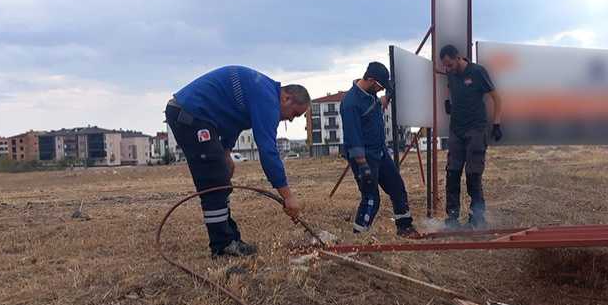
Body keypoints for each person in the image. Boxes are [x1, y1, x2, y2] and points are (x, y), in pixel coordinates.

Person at [166, 66, 309, 257]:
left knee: (220, 178)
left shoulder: (262, 90)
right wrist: (287, 195)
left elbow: (234, 120)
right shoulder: (267, 98)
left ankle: (230, 239)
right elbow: (268, 150)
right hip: (190, 113)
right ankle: (223, 247)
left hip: (200, 116)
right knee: (214, 180)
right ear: (286, 98)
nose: (291, 120)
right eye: (295, 114)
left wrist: (226, 152)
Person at [340, 62, 420, 239]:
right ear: (370, 80)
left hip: (380, 152)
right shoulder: (351, 103)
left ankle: (404, 227)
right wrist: (363, 166)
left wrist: (389, 95)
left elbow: (379, 104)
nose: (380, 90)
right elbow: (353, 137)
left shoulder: (370, 95)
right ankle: (359, 238)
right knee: (371, 198)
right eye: (380, 86)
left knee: (397, 188)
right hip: (364, 158)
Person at [438, 44, 503, 229]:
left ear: (458, 58)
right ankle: (452, 219)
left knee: (473, 174)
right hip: (456, 130)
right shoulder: (450, 73)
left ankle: (477, 219)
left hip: (476, 129)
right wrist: (450, 103)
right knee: (452, 173)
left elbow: (497, 97)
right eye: (445, 66)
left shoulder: (478, 72)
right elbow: (451, 88)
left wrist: (497, 124)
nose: (447, 69)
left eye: (450, 64)